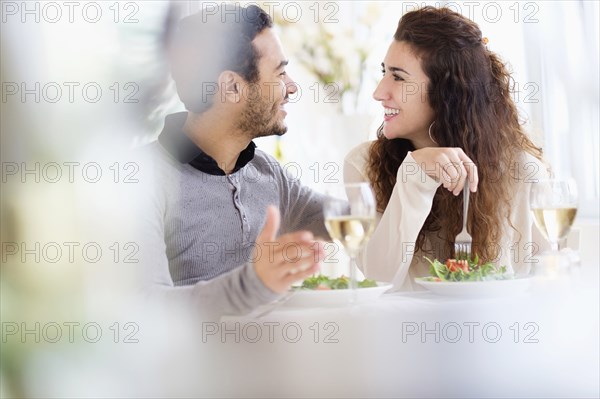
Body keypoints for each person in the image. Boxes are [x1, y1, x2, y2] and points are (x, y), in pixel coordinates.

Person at [135, 4, 328, 316]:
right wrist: (253, 284)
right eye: (279, 72)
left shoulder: (266, 171)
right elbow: (146, 308)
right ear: (232, 87)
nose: (291, 86)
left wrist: (413, 170)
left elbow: (348, 219)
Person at [344, 6, 549, 290]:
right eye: (384, 72)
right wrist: (413, 176)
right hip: (398, 333)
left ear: (447, 93)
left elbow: (546, 280)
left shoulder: (521, 171)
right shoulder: (363, 163)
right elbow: (379, 276)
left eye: (399, 77)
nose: (379, 92)